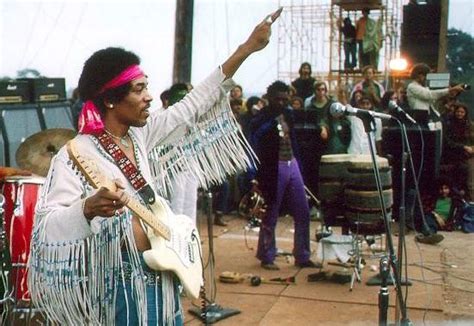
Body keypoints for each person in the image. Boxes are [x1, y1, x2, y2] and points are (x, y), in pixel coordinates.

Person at [27, 8, 282, 325]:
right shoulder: (75, 153)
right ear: (110, 100)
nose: (149, 97)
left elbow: (193, 105)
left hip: (162, 278)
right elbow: (47, 225)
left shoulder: (140, 136)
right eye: (138, 89)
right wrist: (87, 208)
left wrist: (246, 49)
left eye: (147, 87)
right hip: (117, 286)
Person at [249, 80, 319, 271]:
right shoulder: (261, 117)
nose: (282, 102)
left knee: (303, 210)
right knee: (271, 211)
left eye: (284, 98)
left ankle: (302, 255)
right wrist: (254, 174)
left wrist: (299, 165)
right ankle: (267, 255)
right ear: (270, 98)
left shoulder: (288, 113)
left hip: (291, 163)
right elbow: (254, 142)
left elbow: (293, 140)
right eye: (278, 99)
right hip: (272, 167)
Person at [443, 103, 474, 200]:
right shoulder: (449, 125)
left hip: (468, 157)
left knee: (470, 183)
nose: (460, 114)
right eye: (458, 112)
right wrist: (463, 147)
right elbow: (448, 142)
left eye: (462, 112)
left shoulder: (470, 125)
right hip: (454, 156)